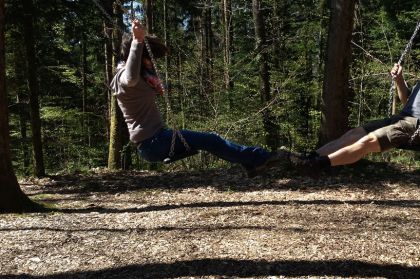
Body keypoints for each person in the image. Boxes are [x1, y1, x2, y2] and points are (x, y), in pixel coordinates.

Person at [110, 20, 288, 177]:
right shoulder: (122, 78)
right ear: (138, 56)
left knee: (210, 141)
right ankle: (259, 158)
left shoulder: (141, 76)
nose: (151, 63)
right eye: (148, 59)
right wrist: (137, 41)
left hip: (156, 140)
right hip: (153, 143)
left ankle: (251, 163)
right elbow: (131, 78)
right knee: (211, 140)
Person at [293, 63, 420, 178]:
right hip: (401, 117)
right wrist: (399, 80)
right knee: (353, 134)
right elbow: (407, 102)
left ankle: (318, 165)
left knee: (367, 141)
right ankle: (308, 160)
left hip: (414, 125)